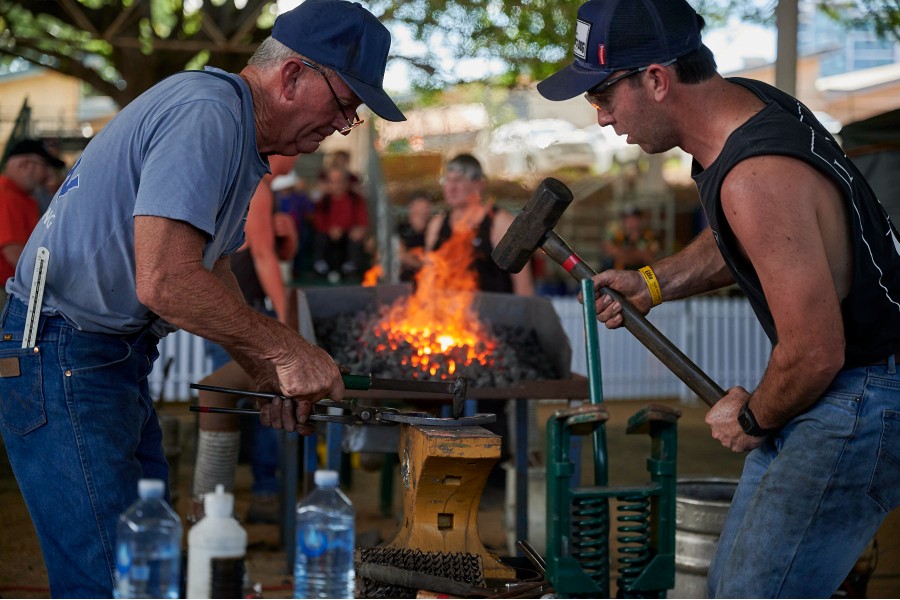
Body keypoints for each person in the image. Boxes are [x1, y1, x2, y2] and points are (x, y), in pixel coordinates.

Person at [0, 0, 405, 595]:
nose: (344, 126)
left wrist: (264, 366)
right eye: (344, 104)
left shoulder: (234, 129)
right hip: (64, 354)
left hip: (97, 357)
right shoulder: (208, 113)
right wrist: (289, 350)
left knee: (146, 567)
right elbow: (164, 282)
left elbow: (209, 268)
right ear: (293, 75)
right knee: (119, 580)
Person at [537, 0, 900, 597]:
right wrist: (653, 282)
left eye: (601, 96)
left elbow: (814, 354)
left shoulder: (756, 176)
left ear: (655, 79)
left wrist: (753, 416)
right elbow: (748, 237)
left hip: (862, 397)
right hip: (848, 387)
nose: (601, 118)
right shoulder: (753, 111)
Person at [192, 155, 299, 525]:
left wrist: (291, 239)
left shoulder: (254, 185)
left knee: (235, 404)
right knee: (261, 401)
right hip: (244, 308)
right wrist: (286, 318)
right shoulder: (260, 189)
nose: (300, 154)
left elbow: (275, 251)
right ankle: (261, 494)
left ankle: (226, 499)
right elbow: (265, 257)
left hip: (234, 305)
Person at [424, 153, 534, 296]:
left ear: (478, 185)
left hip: (494, 314)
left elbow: (524, 287)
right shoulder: (437, 225)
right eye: (447, 180)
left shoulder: (500, 223)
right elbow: (428, 279)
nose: (451, 188)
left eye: (458, 180)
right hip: (448, 315)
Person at [0, 139, 65, 308]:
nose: (47, 175)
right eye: (45, 166)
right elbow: (14, 253)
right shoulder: (7, 196)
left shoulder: (19, 195)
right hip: (9, 291)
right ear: (25, 164)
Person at [311, 164, 370, 281]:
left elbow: (362, 221)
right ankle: (320, 265)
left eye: (339, 181)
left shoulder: (356, 199)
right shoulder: (323, 201)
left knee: (355, 238)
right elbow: (318, 222)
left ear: (346, 182)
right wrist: (329, 229)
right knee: (319, 238)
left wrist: (356, 230)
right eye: (332, 182)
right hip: (328, 239)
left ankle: (351, 267)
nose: (336, 185)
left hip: (348, 238)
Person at [601, 205, 659, 270]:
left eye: (634, 219)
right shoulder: (616, 234)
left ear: (640, 220)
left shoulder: (649, 235)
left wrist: (624, 254)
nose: (630, 223)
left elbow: (650, 257)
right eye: (627, 219)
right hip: (619, 271)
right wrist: (638, 255)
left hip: (641, 273)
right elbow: (611, 251)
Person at [397, 190, 433, 283]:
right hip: (405, 281)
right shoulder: (400, 229)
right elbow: (401, 256)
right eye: (420, 206)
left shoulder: (434, 229)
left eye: (426, 207)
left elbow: (436, 258)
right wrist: (423, 264)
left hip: (429, 281)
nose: (424, 210)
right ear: (411, 208)